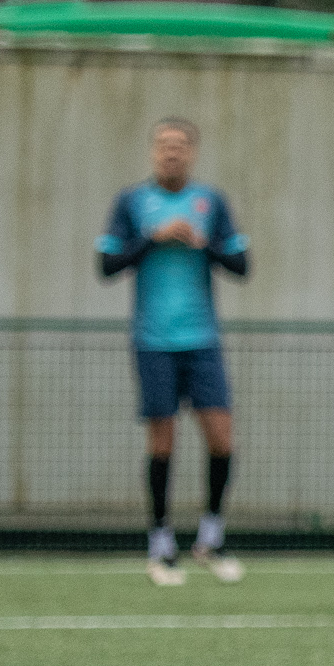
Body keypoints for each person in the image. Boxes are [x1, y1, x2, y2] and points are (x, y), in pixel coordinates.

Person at [96, 117, 250, 586]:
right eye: (164, 144)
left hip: (202, 340)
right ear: (152, 151)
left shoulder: (211, 202)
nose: (171, 152)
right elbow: (107, 264)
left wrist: (203, 242)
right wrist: (153, 238)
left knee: (222, 438)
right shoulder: (132, 202)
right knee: (162, 442)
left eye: (180, 145)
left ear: (192, 153)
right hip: (153, 341)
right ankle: (161, 545)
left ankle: (211, 538)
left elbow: (241, 264)